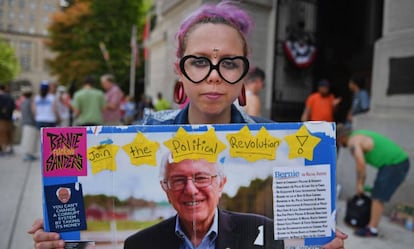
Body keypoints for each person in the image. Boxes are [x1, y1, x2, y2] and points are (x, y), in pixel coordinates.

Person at [28, 2, 347, 249]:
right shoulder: (140, 135)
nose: (213, 74)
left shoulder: (280, 145)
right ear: (179, 71)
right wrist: (64, 234)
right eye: (198, 61)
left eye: (230, 63)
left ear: (243, 75)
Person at [125, 156, 283, 248]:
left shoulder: (264, 232)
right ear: (166, 188)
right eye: (178, 180)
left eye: (201, 178)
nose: (191, 190)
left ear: (221, 184)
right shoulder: (139, 245)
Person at [337, 125, 410, 237]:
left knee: (378, 196)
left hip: (395, 163)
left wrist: (359, 184)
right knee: (377, 192)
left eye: (337, 142)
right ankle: (372, 225)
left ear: (341, 138)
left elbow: (361, 164)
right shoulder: (359, 134)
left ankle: (372, 229)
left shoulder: (353, 142)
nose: (339, 145)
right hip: (395, 163)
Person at [20, 86, 39, 161]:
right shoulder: (31, 102)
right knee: (31, 140)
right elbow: (34, 112)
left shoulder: (23, 102)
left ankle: (28, 154)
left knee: (26, 139)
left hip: (25, 123)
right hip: (31, 123)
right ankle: (30, 154)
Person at [0, 84, 16, 155]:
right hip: (9, 118)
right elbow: (13, 106)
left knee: (2, 134)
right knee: (10, 134)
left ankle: (4, 150)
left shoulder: (1, 97)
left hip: (1, 119)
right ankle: (11, 148)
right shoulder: (10, 97)